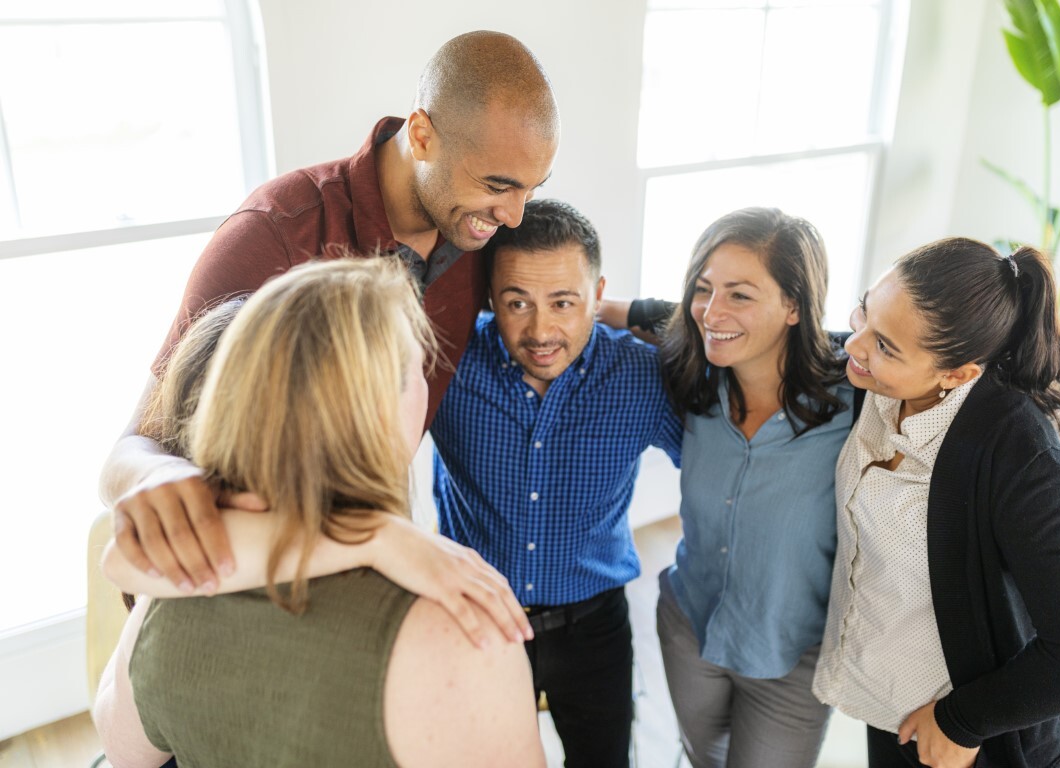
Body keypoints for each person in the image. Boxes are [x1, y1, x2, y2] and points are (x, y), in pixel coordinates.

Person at [97, 30, 560, 635]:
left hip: (355, 582)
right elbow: (127, 453)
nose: (514, 215)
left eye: (532, 188)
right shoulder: (274, 234)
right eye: (498, 185)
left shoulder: (480, 236)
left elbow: (558, 291)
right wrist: (159, 476)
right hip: (226, 592)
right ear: (421, 135)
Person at [94, 257, 545, 768]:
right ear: (377, 411)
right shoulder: (464, 628)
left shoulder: (172, 585)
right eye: (417, 367)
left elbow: (123, 749)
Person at [811, 238, 1060, 768]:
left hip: (973, 741)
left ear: (958, 374)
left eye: (885, 345)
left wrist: (961, 721)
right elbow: (782, 335)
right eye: (864, 312)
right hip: (891, 708)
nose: (855, 345)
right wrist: (632, 311)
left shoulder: (1020, 455)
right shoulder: (882, 375)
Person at [424, 197, 682, 768]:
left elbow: (729, 436)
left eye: (564, 302)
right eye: (518, 302)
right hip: (478, 624)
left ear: (599, 295)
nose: (542, 330)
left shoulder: (642, 374)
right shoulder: (446, 360)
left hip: (595, 627)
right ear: (491, 297)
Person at [648, 208, 854, 768]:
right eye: (703, 289)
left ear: (794, 305)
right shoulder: (691, 378)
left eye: (740, 295)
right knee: (702, 760)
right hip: (691, 627)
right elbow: (650, 319)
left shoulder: (856, 404)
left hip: (792, 656)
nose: (711, 313)